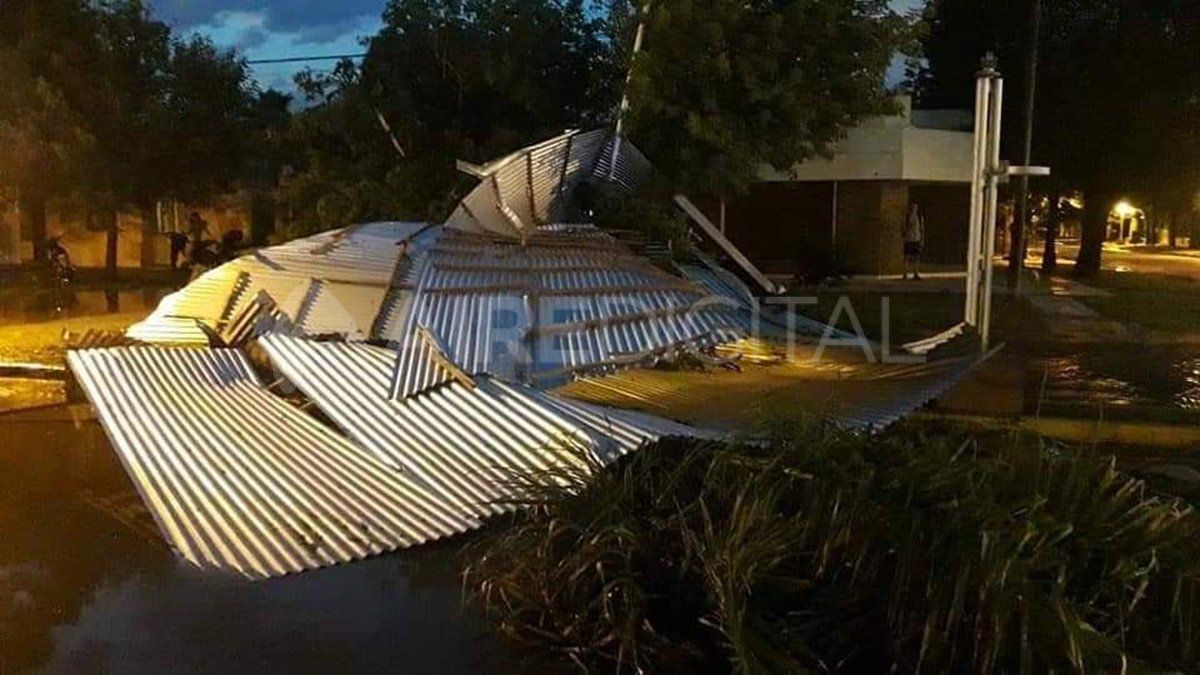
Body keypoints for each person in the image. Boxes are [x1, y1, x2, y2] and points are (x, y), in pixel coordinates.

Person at [903, 202, 925, 280]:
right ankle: (905, 273)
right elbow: (903, 228)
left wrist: (922, 239)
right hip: (908, 239)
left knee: (916, 257)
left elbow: (922, 229)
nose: (913, 209)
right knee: (907, 257)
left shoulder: (919, 217)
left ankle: (915, 272)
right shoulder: (907, 217)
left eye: (915, 207)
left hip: (916, 239)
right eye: (912, 207)